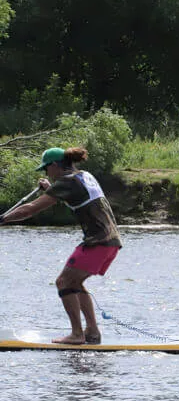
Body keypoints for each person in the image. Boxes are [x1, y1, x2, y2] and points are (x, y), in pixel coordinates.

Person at [0, 147, 122, 344]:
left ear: (55, 166)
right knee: (74, 282)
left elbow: (30, 209)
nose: (45, 173)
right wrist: (51, 188)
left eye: (45, 169)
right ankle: (92, 332)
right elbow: (76, 197)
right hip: (110, 241)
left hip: (98, 241)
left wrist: (3, 219)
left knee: (64, 282)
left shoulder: (67, 182)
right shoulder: (83, 176)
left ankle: (77, 334)